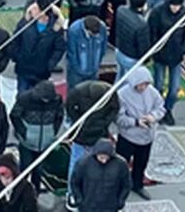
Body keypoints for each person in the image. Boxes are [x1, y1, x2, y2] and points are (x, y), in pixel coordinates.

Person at [115, 67, 166, 198]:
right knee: (120, 164)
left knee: (141, 163)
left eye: (146, 84)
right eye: (140, 84)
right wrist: (136, 122)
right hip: (128, 137)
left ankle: (137, 185)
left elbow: (161, 108)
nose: (143, 87)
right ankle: (118, 187)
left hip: (147, 137)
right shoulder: (122, 95)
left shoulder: (153, 93)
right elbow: (118, 119)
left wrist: (153, 117)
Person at [68, 140, 130, 212]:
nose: (104, 161)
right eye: (101, 157)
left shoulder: (121, 165)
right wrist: (79, 198)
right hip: (88, 206)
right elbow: (75, 182)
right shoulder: (83, 164)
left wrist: (121, 200)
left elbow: (126, 184)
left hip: (110, 207)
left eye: (106, 158)